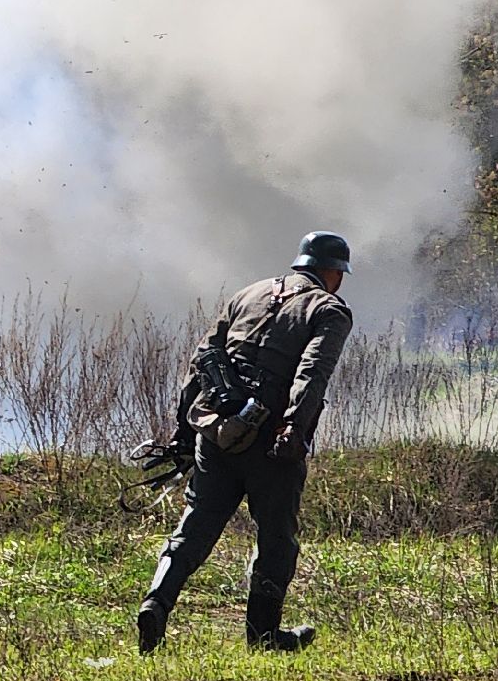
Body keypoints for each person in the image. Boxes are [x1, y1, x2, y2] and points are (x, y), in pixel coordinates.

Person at [136, 231, 355, 656]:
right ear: (334, 273)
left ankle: (155, 603)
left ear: (300, 263)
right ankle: (264, 636)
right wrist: (293, 428)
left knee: (196, 526)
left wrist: (185, 433)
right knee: (276, 537)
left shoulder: (248, 294)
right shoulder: (329, 310)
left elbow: (203, 361)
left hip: (214, 433)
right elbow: (312, 374)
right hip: (271, 441)